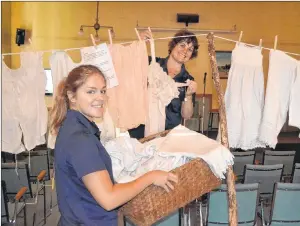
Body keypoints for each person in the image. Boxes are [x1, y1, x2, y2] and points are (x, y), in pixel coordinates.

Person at [49, 65, 178, 226]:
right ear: (72, 96)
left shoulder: (72, 128)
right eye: (91, 91)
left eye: (103, 91)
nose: (100, 97)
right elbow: (109, 199)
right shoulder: (80, 139)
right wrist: (151, 177)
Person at [129, 30, 199, 139]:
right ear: (173, 46)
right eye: (182, 45)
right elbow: (129, 63)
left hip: (168, 135)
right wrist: (139, 43)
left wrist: (189, 95)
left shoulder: (188, 80)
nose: (185, 51)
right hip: (140, 131)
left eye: (190, 49)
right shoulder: (151, 64)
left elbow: (187, 115)